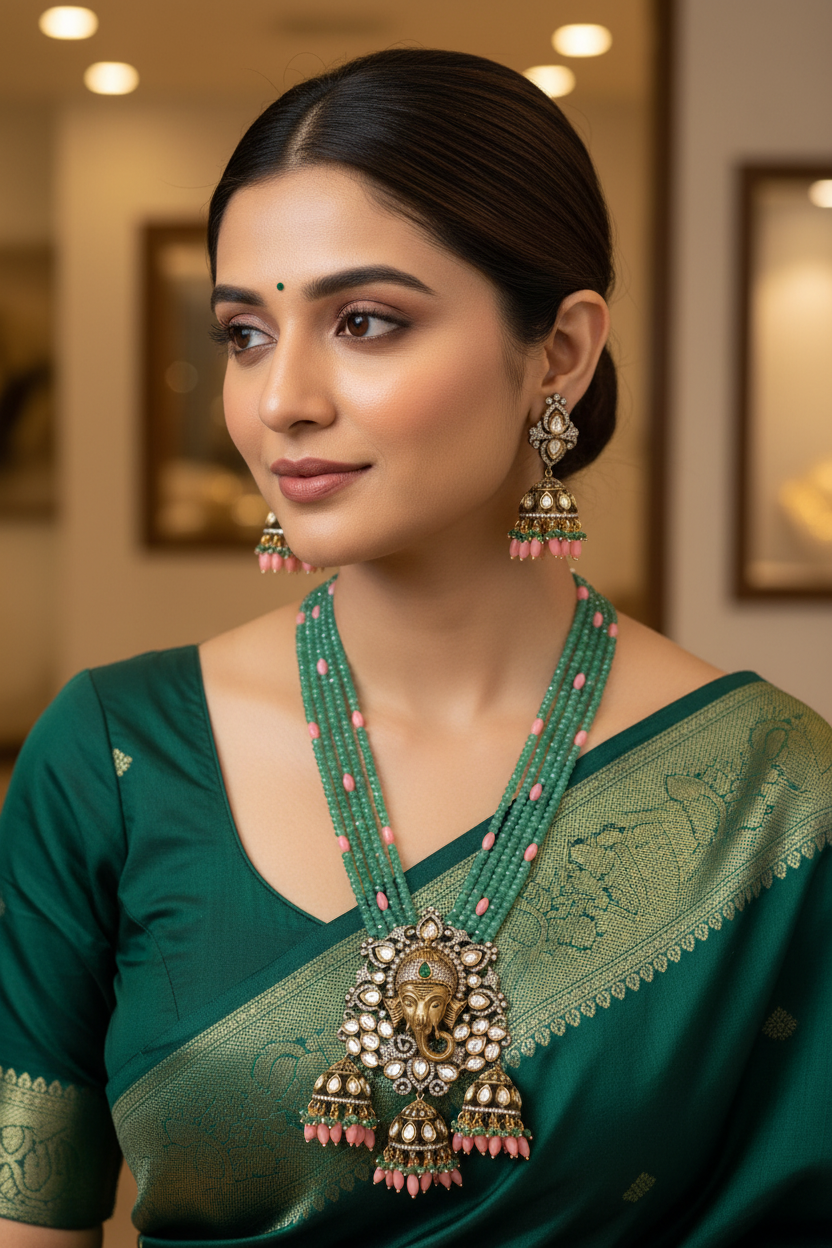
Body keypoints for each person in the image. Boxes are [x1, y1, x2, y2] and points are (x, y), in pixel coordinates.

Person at [1, 47, 830, 1248]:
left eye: (365, 321)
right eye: (242, 333)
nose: (281, 396)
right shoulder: (115, 757)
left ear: (559, 352)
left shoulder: (773, 791)